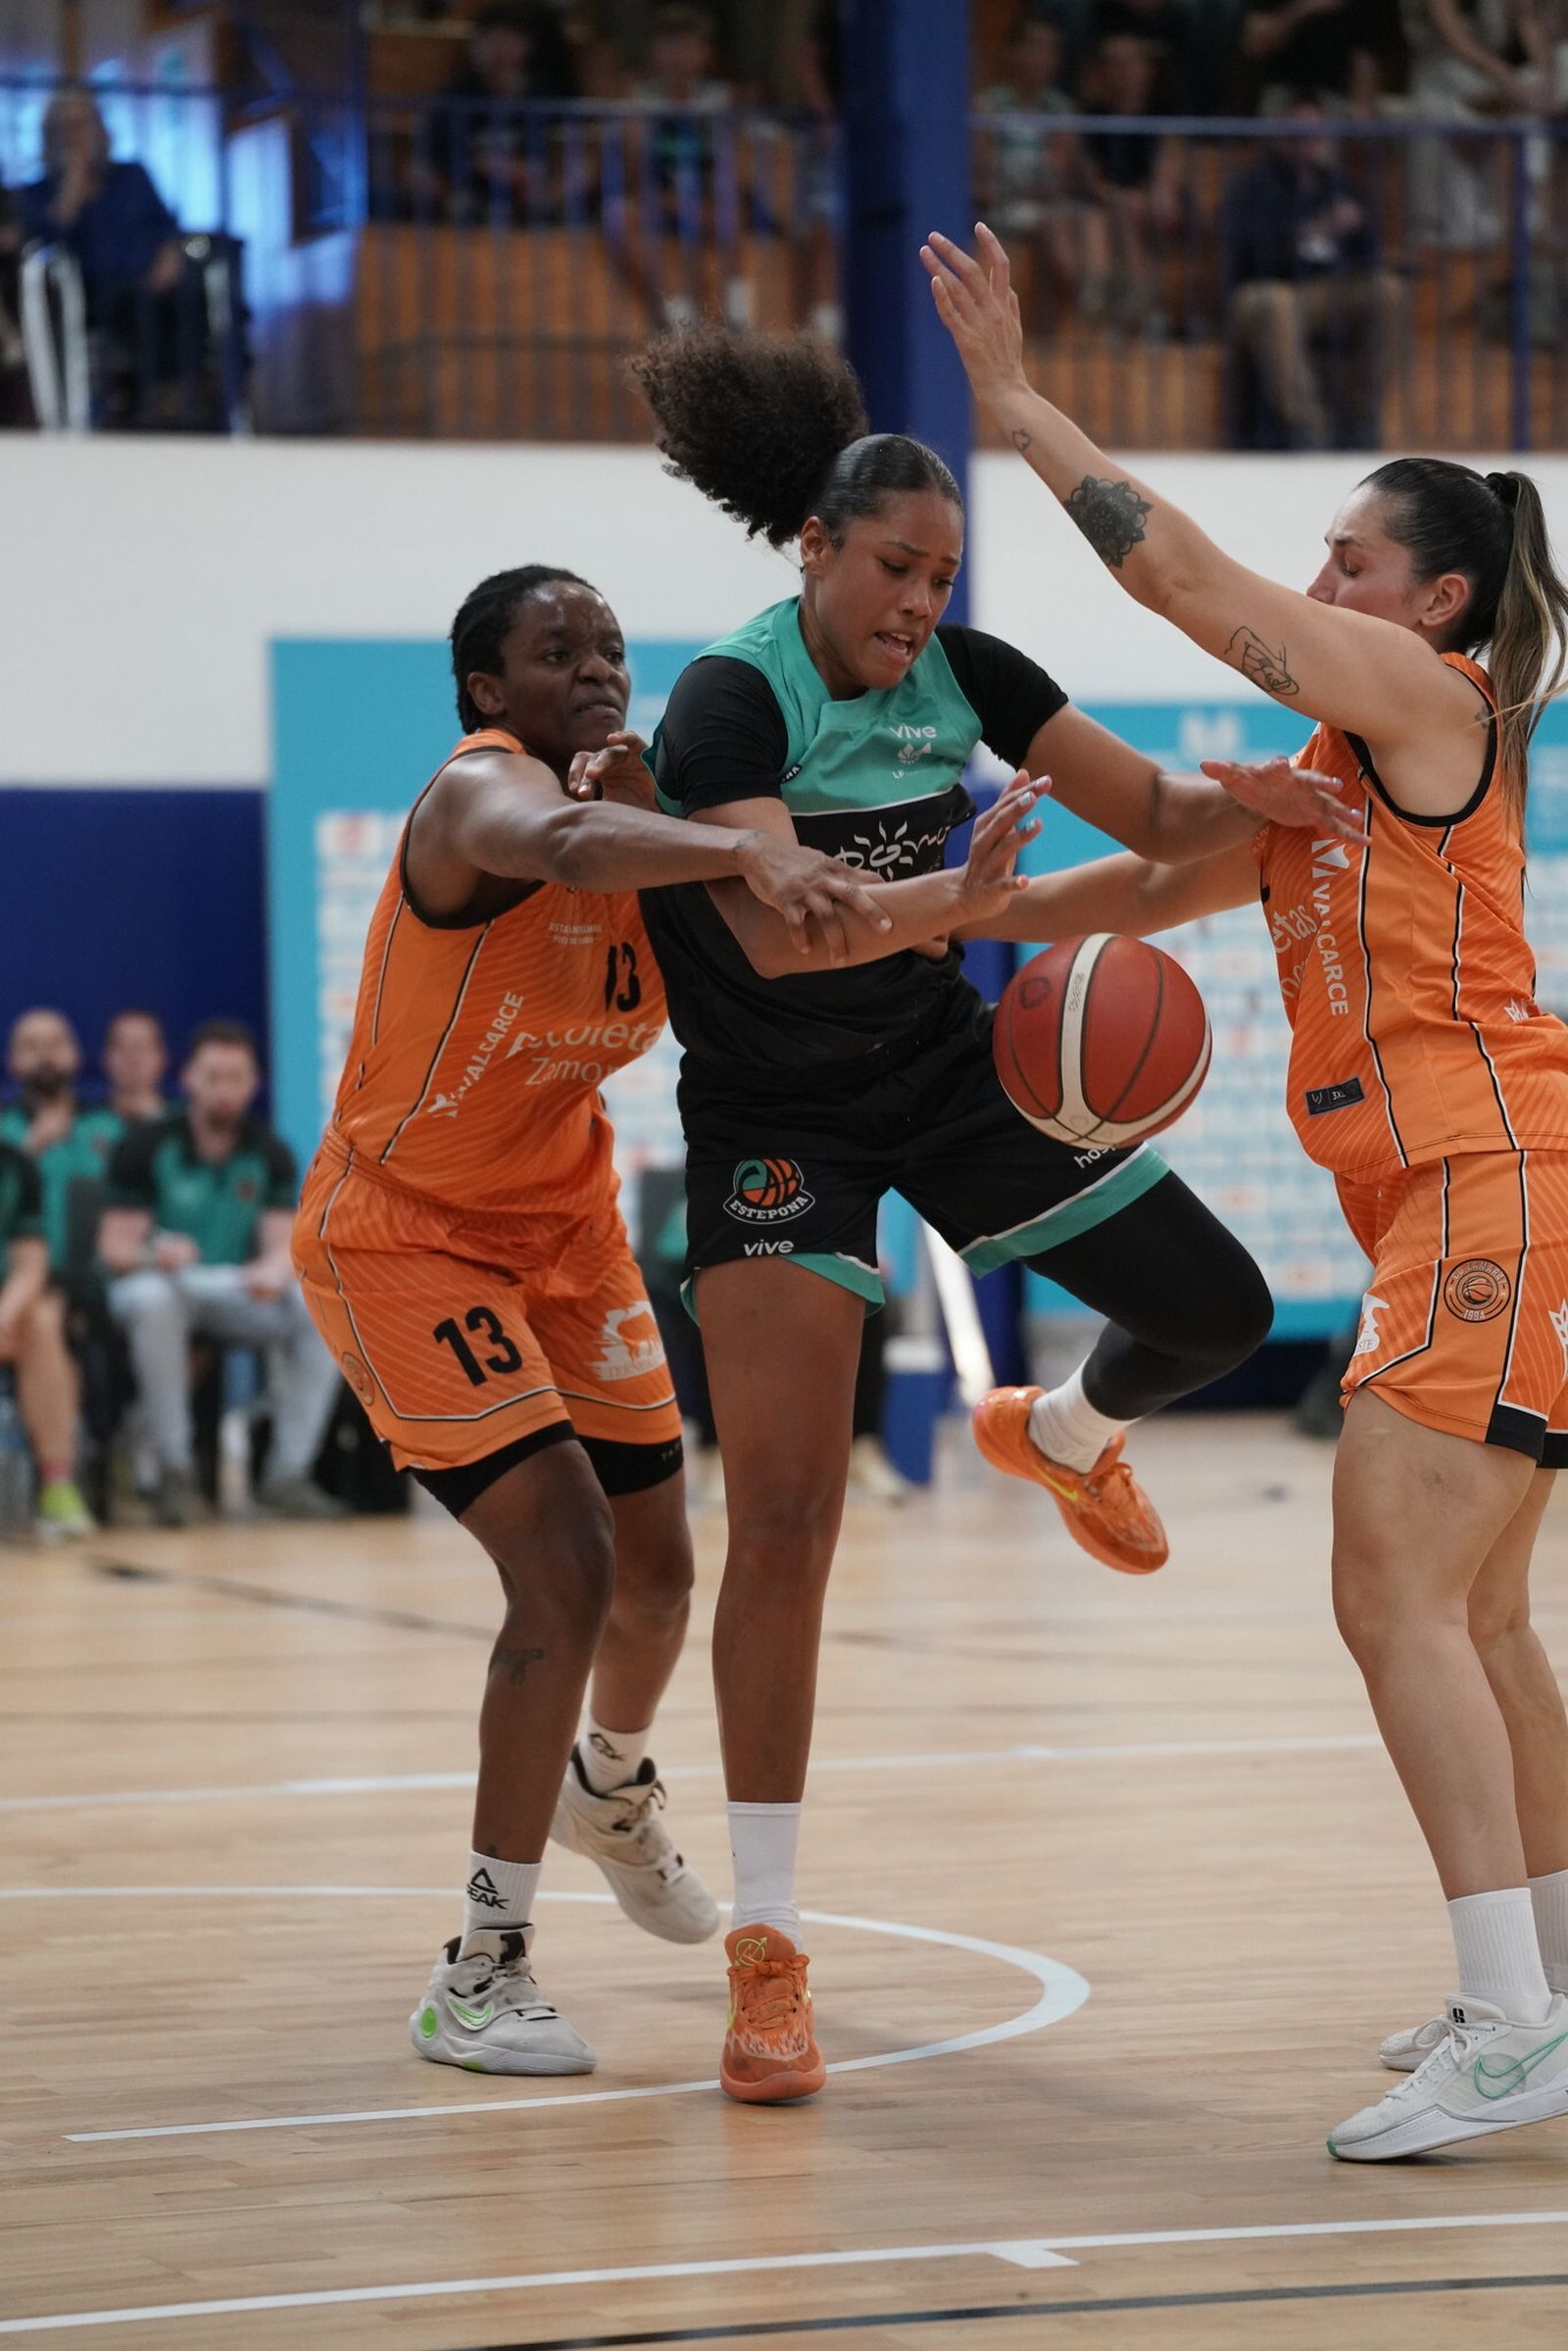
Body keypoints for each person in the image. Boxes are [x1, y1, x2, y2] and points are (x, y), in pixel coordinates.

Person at [626, 320, 1355, 2105]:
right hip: (777, 1116)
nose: (919, 603)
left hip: (945, 1076)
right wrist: (961, 898)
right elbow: (777, 930)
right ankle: (768, 1944)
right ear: (816, 547)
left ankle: (1065, 1427)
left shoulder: (971, 672)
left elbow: (1156, 810)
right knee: (786, 1512)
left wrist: (1268, 801)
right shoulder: (729, 701)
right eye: (895, 568)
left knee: (1216, 1304)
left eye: (942, 577)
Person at [925, 217, 1568, 2159]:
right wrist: (949, 914)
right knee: (1480, 1616)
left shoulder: (1430, 697)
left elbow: (1189, 580)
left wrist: (1017, 402)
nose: (1318, 582)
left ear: (1432, 596)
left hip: (1486, 1173)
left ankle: (1504, 2022)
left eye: (1348, 558)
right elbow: (1152, 881)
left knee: (1388, 1593)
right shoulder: (1331, 765)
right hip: (1458, 1194)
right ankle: (1543, 1983)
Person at [289, 562, 905, 2079]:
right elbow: (560, 840)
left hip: (565, 1226)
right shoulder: (478, 796)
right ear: (487, 689)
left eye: (613, 646)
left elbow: (780, 953)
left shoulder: (648, 818)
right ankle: (480, 1967)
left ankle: (607, 1782)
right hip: (407, 1230)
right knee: (563, 1562)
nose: (597, 668)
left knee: (660, 1575)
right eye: (556, 649)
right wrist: (736, 846)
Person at [99, 1021, 344, 1528]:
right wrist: (155, 1254)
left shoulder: (270, 1151)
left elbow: (283, 1246)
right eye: (213, 1077)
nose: (225, 1089)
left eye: (236, 1077)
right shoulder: (147, 1145)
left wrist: (273, 1271)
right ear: (189, 1078)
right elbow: (115, 1250)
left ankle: (288, 1472)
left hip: (230, 1286)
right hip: (160, 1283)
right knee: (155, 1301)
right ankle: (173, 1468)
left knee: (318, 1307)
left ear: (253, 1083)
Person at [1221, 94, 1403, 450]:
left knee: (1389, 291)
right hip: (1266, 289)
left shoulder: (1340, 185)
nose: (1306, 142)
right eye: (1297, 133)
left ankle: (1361, 423)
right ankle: (1309, 429)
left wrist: (1356, 229)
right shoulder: (1251, 187)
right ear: (1278, 135)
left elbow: (1370, 253)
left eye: (1314, 133)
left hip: (1330, 289)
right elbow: (1248, 254)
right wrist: (1312, 232)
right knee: (1277, 304)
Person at [18, 87, 195, 427]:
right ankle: (133, 404)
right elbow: (47, 238)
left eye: (81, 125)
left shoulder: (132, 176)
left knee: (192, 300)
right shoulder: (37, 192)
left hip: (152, 283)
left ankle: (173, 401)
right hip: (89, 292)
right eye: (64, 128)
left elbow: (165, 228)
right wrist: (73, 182)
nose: (74, 137)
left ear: (99, 129)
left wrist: (168, 258)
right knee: (132, 307)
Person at [976, 12, 1111, 326]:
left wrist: (1047, 176)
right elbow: (984, 174)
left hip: (1046, 202)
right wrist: (1033, 180)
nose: (1044, 58)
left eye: (1051, 50)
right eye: (1036, 47)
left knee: (1091, 217)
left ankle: (1097, 295)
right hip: (1002, 206)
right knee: (1053, 222)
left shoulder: (1060, 109)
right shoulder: (988, 106)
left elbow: (1060, 176)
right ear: (1014, 52)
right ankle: (1087, 302)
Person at [0, 1135, 94, 1539]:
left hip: (5, 1310)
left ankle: (57, 1484)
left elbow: (30, 1265)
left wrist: (4, 1316)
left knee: (41, 1322)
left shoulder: (15, 1165)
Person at [1077, 32, 1183, 337]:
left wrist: (1146, 200)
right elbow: (1091, 181)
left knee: (1131, 213)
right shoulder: (1092, 119)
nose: (1122, 71)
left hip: (1154, 207)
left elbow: (1166, 178)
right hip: (1109, 205)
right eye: (1113, 63)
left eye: (1130, 63)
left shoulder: (1162, 116)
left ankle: (1130, 308)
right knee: (1100, 217)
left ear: (1147, 70)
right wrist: (1121, 199)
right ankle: (1139, 309)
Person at [1, 1009, 119, 1273]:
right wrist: (28, 1152)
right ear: (11, 1061)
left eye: (55, 1043)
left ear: (76, 1054)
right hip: (14, 1277)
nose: (45, 1056)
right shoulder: (3, 1131)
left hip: (99, 1279)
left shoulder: (112, 1127)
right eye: (31, 1046)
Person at [1241, 0, 1380, 110]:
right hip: (1279, 91)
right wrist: (1303, 8)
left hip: (1333, 96)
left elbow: (1363, 55)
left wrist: (1363, 104)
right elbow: (1254, 45)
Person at [80, 1009, 170, 1151]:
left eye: (141, 1046)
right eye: (122, 1046)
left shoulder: (184, 1126)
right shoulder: (81, 1127)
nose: (132, 1056)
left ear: (162, 1057)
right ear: (105, 1058)